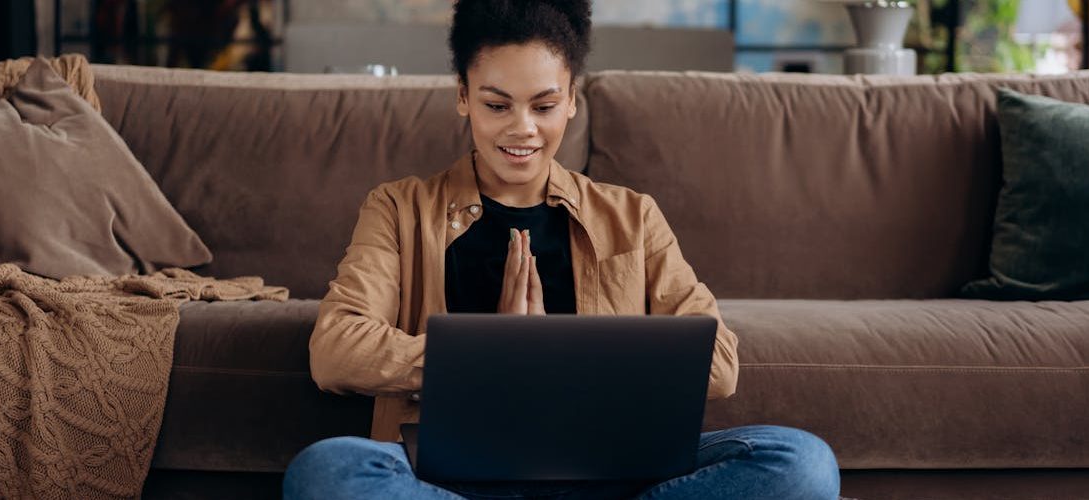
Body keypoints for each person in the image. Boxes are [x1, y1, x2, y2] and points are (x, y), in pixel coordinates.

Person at [284, 1, 840, 498]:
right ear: (463, 97)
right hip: (450, 474)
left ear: (571, 100)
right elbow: (335, 349)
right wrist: (492, 359)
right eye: (497, 105)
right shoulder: (398, 208)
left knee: (802, 463)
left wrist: (548, 358)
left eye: (544, 106)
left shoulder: (632, 216)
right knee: (328, 471)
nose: (522, 129)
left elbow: (719, 366)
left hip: (610, 468)